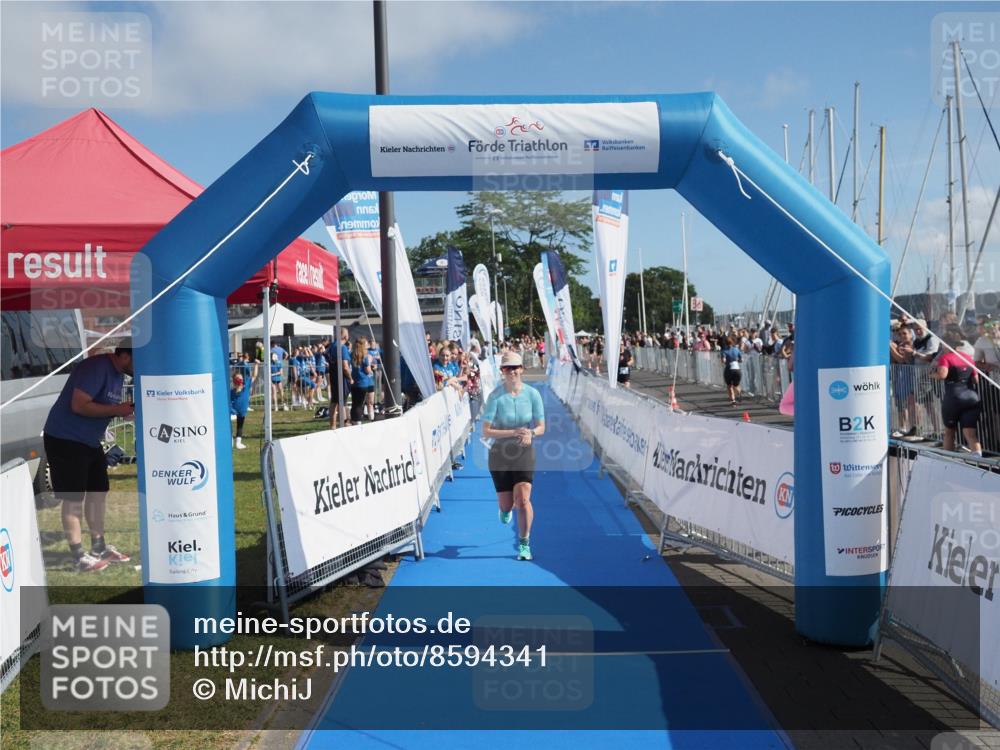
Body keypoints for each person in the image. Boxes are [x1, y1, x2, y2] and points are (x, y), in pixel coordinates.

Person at [42, 341, 135, 572]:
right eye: (139, 360)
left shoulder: (118, 374)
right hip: (65, 439)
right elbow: (79, 406)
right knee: (74, 498)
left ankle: (99, 547)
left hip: (88, 441)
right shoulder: (96, 367)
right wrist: (117, 410)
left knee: (98, 493)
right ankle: (79, 556)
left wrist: (125, 412)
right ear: (124, 356)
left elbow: (102, 408)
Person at [481, 351, 545, 561]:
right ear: (502, 371)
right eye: (508, 368)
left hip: (524, 452)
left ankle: (524, 544)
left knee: (524, 500)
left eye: (516, 367)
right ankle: (504, 510)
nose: (512, 372)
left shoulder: (533, 395)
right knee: (507, 505)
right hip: (500, 454)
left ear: (522, 369)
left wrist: (531, 433)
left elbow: (541, 426)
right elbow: (486, 431)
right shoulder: (495, 397)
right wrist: (513, 432)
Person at [932, 326, 983, 455]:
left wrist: (932, 375)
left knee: (949, 432)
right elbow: (976, 380)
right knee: (970, 433)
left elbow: (943, 375)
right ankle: (979, 460)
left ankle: (948, 461)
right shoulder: (968, 357)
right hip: (971, 397)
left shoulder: (945, 358)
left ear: (945, 344)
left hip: (954, 398)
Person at [721, 335, 743, 405]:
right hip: (737, 369)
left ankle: (733, 400)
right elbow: (741, 360)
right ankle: (739, 392)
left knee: (729, 385)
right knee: (736, 385)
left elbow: (723, 360)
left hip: (729, 369)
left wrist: (724, 360)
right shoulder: (736, 349)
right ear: (733, 342)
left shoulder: (724, 351)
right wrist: (737, 360)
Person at [230, 372, 249, 449]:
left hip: (242, 411)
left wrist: (256, 365)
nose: (240, 380)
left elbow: (254, 376)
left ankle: (238, 443)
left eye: (241, 378)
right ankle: (230, 441)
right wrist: (232, 411)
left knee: (240, 426)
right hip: (232, 412)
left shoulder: (245, 388)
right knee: (229, 426)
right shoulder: (231, 392)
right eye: (238, 378)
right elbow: (229, 402)